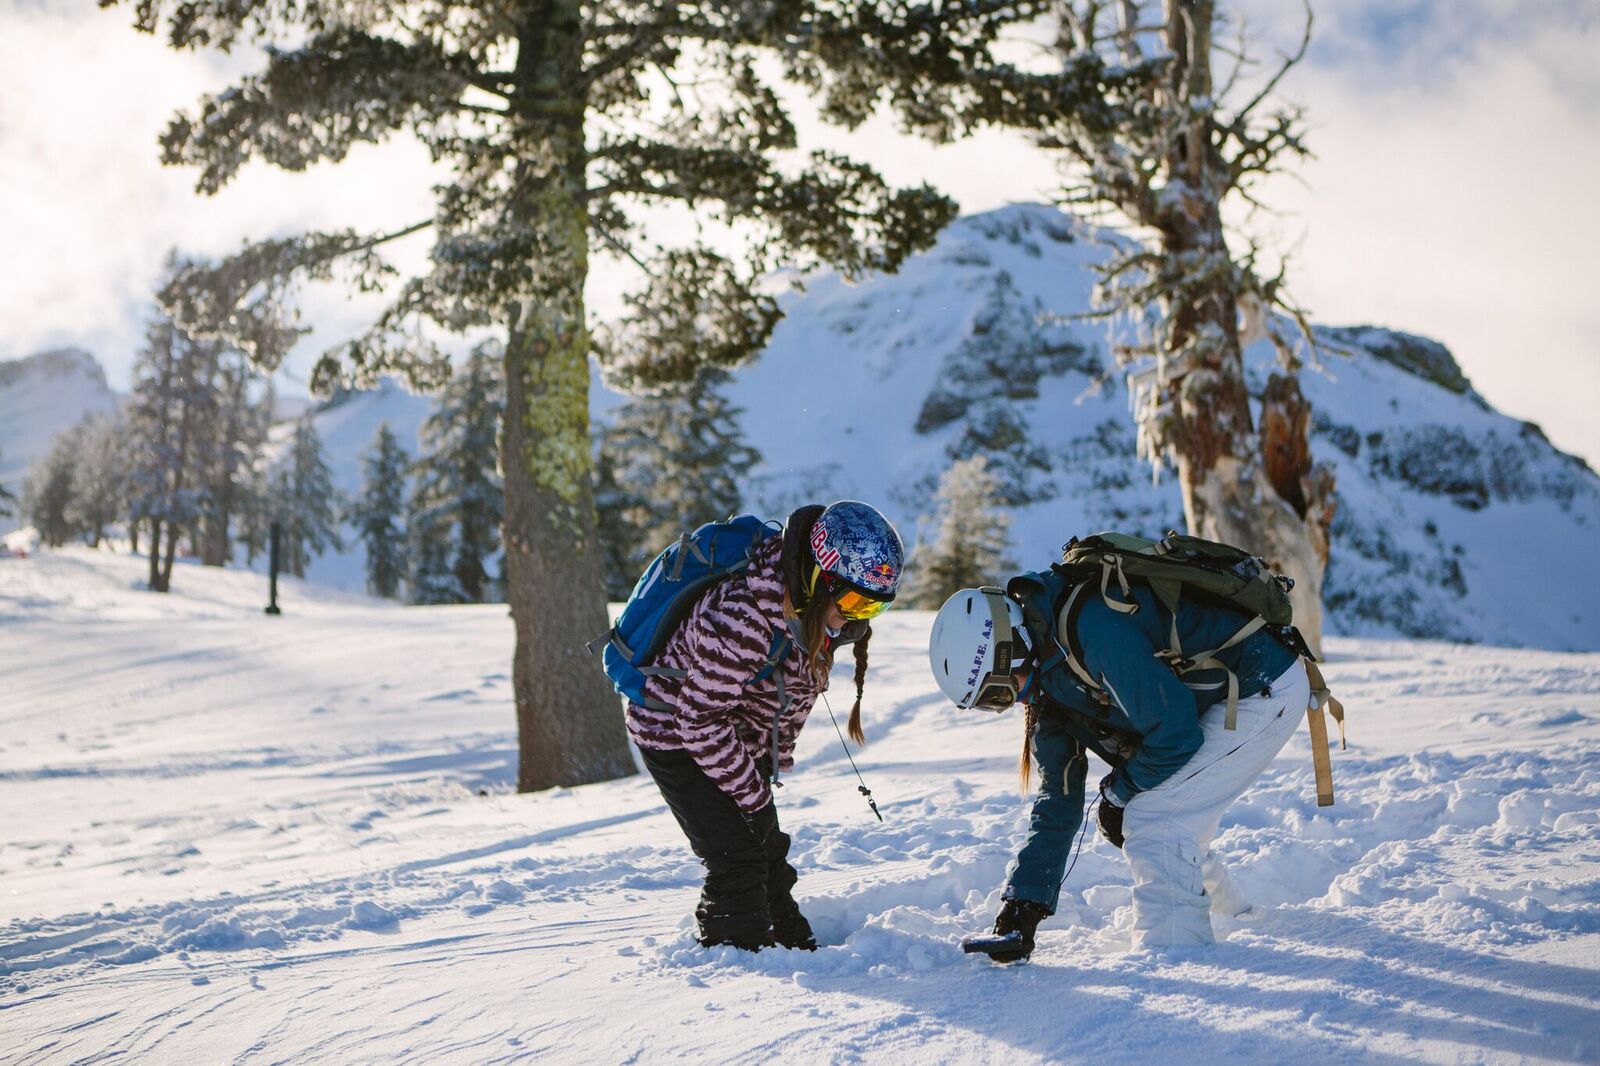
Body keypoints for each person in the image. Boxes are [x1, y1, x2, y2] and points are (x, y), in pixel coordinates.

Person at [928, 560, 1312, 960]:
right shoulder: (1049, 678)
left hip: (1260, 687)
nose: (1008, 704)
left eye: (999, 693)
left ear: (1013, 647)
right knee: (1171, 811)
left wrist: (1120, 793)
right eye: (991, 705)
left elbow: (1175, 734)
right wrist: (1023, 908)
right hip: (1223, 698)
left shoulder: (1094, 632)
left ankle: (1176, 955)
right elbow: (1057, 799)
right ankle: (1235, 917)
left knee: (1156, 818)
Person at [626, 501, 904, 951]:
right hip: (674, 733)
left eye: (874, 608)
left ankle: (793, 946)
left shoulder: (808, 612)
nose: (855, 617)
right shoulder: (744, 619)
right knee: (737, 858)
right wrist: (753, 796)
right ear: (818, 573)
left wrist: (758, 779)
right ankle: (737, 967)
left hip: (730, 737)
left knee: (768, 850)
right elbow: (698, 722)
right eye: (853, 600)